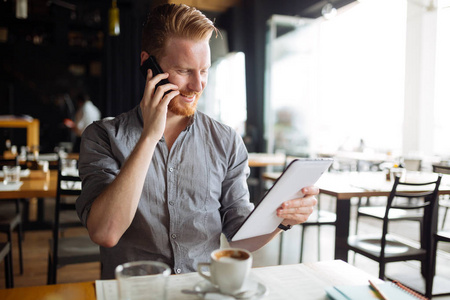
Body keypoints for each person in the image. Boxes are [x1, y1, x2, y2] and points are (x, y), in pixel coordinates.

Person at [76, 3, 319, 280]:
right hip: (136, 292)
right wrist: (149, 138)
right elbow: (105, 233)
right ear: (149, 65)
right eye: (183, 71)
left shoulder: (226, 141)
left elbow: (240, 240)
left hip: (203, 291)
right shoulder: (103, 136)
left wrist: (281, 219)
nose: (198, 85)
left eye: (204, 70)